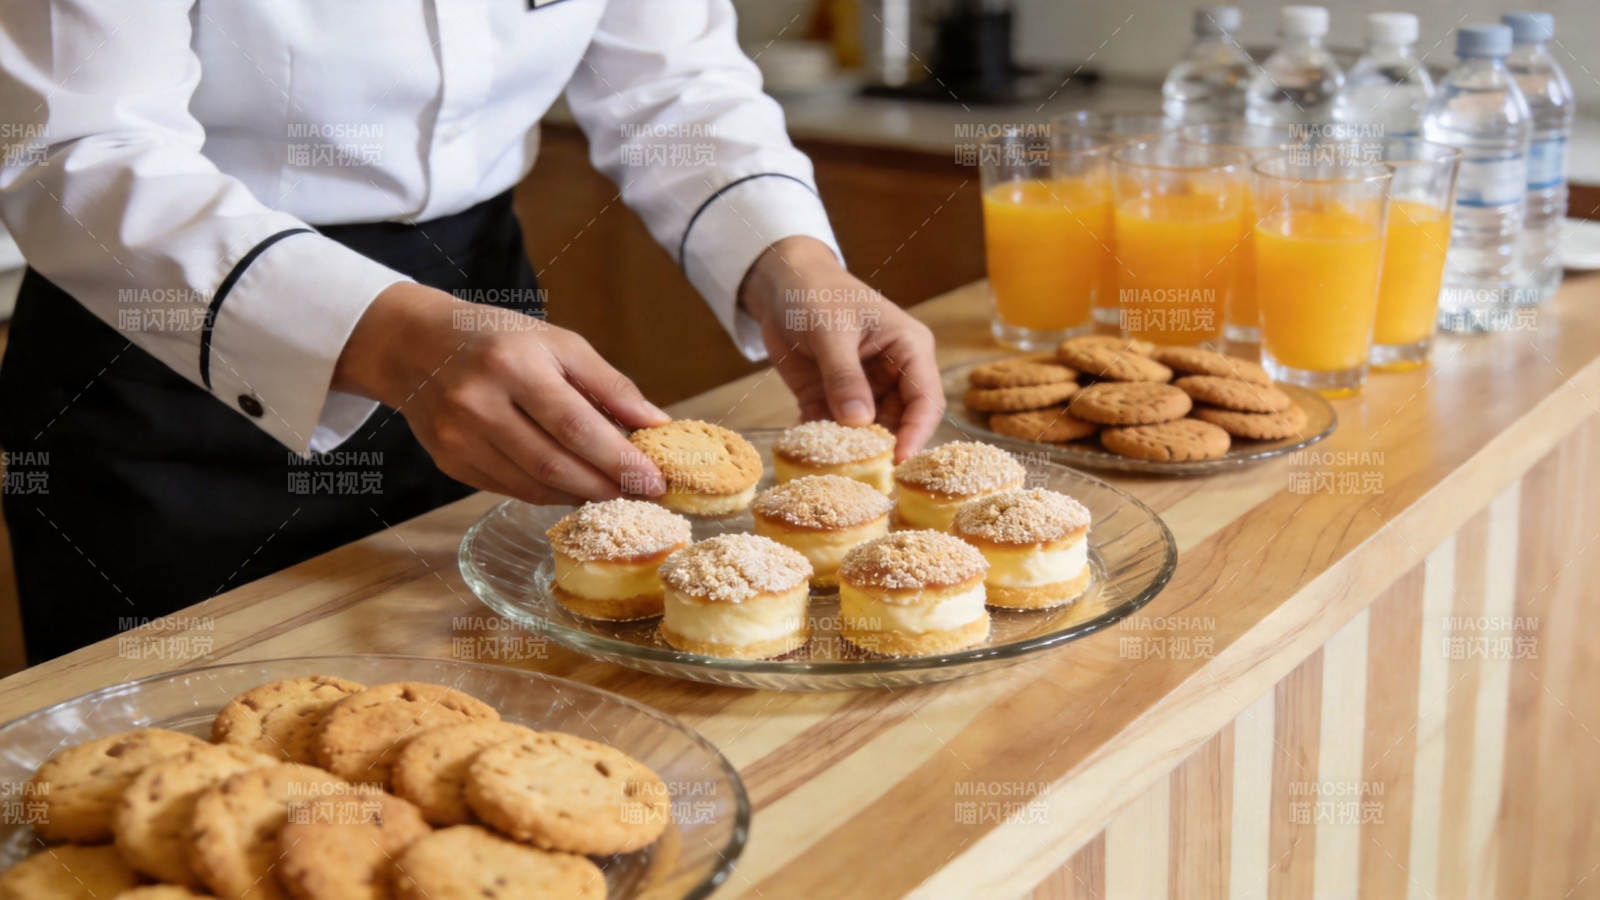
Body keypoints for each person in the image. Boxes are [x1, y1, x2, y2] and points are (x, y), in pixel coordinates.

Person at [0, 0, 943, 663]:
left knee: (479, 709)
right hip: (162, 350)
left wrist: (792, 261)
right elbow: (72, 146)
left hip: (484, 311)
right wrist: (391, 339)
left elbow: (678, 83)